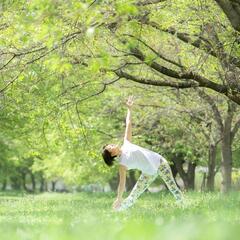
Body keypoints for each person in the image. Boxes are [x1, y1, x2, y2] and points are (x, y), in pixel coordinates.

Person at [102, 96, 184, 211]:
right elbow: (122, 183)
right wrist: (119, 198)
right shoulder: (122, 164)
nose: (111, 145)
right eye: (109, 148)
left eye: (110, 145)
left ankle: (184, 206)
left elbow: (129, 123)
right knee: (133, 196)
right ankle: (117, 211)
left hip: (159, 162)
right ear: (112, 154)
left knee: (173, 187)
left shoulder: (126, 143)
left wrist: (129, 109)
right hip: (148, 173)